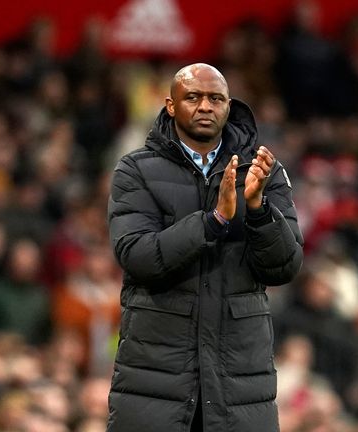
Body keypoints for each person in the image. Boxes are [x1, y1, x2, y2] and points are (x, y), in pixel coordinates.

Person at [106, 63, 304, 431]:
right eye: (193, 97)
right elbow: (137, 256)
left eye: (216, 99)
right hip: (156, 381)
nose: (205, 107)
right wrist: (213, 221)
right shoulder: (135, 170)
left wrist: (258, 211)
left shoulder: (263, 170)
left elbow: (285, 266)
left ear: (229, 106)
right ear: (170, 105)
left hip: (239, 383)